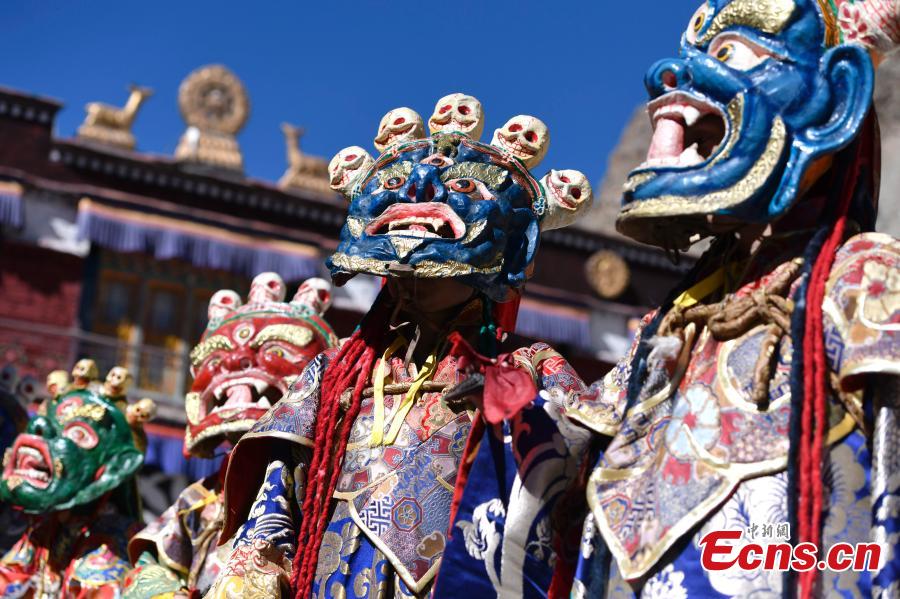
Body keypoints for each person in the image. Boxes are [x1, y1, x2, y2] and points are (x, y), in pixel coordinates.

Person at [562, 1, 900, 596]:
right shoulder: (680, 316)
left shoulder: (865, 280)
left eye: (729, 54)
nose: (670, 75)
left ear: (837, 99)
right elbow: (585, 433)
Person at [204, 94, 595, 597]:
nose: (411, 281)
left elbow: (588, 463)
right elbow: (279, 496)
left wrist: (520, 417)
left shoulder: (529, 369)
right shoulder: (335, 373)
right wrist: (251, 573)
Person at [123, 274, 337, 598]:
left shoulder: (322, 490)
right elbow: (152, 561)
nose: (238, 360)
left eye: (275, 347)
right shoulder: (200, 498)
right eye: (218, 356)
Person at [0, 364, 151, 597]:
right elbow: (10, 578)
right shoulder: (43, 532)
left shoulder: (114, 547)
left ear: (113, 467)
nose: (40, 430)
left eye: (77, 433)